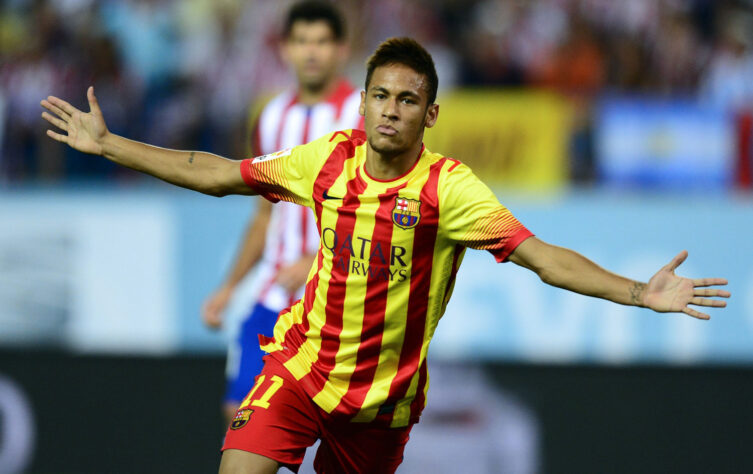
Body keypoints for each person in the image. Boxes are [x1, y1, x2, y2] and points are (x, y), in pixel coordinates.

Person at [41, 37, 729, 474]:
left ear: (429, 114)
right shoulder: (325, 160)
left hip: (380, 406)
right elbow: (219, 172)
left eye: (407, 100)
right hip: (300, 374)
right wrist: (111, 146)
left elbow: (543, 258)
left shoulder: (449, 189)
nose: (390, 111)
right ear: (362, 102)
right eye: (379, 96)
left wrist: (638, 293)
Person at [200, 0, 363, 426]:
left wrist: (317, 258)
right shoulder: (272, 117)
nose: (312, 52)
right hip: (273, 293)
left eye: (322, 42)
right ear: (285, 49)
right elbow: (263, 214)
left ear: (341, 49)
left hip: (336, 298)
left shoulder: (360, 117)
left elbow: (370, 212)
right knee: (238, 413)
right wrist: (230, 286)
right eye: (302, 41)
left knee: (330, 428)